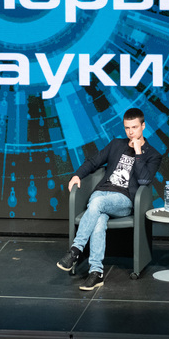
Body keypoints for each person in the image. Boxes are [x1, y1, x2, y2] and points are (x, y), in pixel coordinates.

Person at [56, 107, 161, 290]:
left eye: (135, 127)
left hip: (124, 200)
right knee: (99, 218)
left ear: (143, 126)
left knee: (96, 204)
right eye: (127, 128)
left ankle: (75, 250)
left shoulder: (153, 154)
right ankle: (96, 273)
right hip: (101, 193)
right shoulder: (116, 144)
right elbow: (93, 161)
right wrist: (77, 175)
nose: (131, 132)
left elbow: (144, 180)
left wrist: (138, 152)